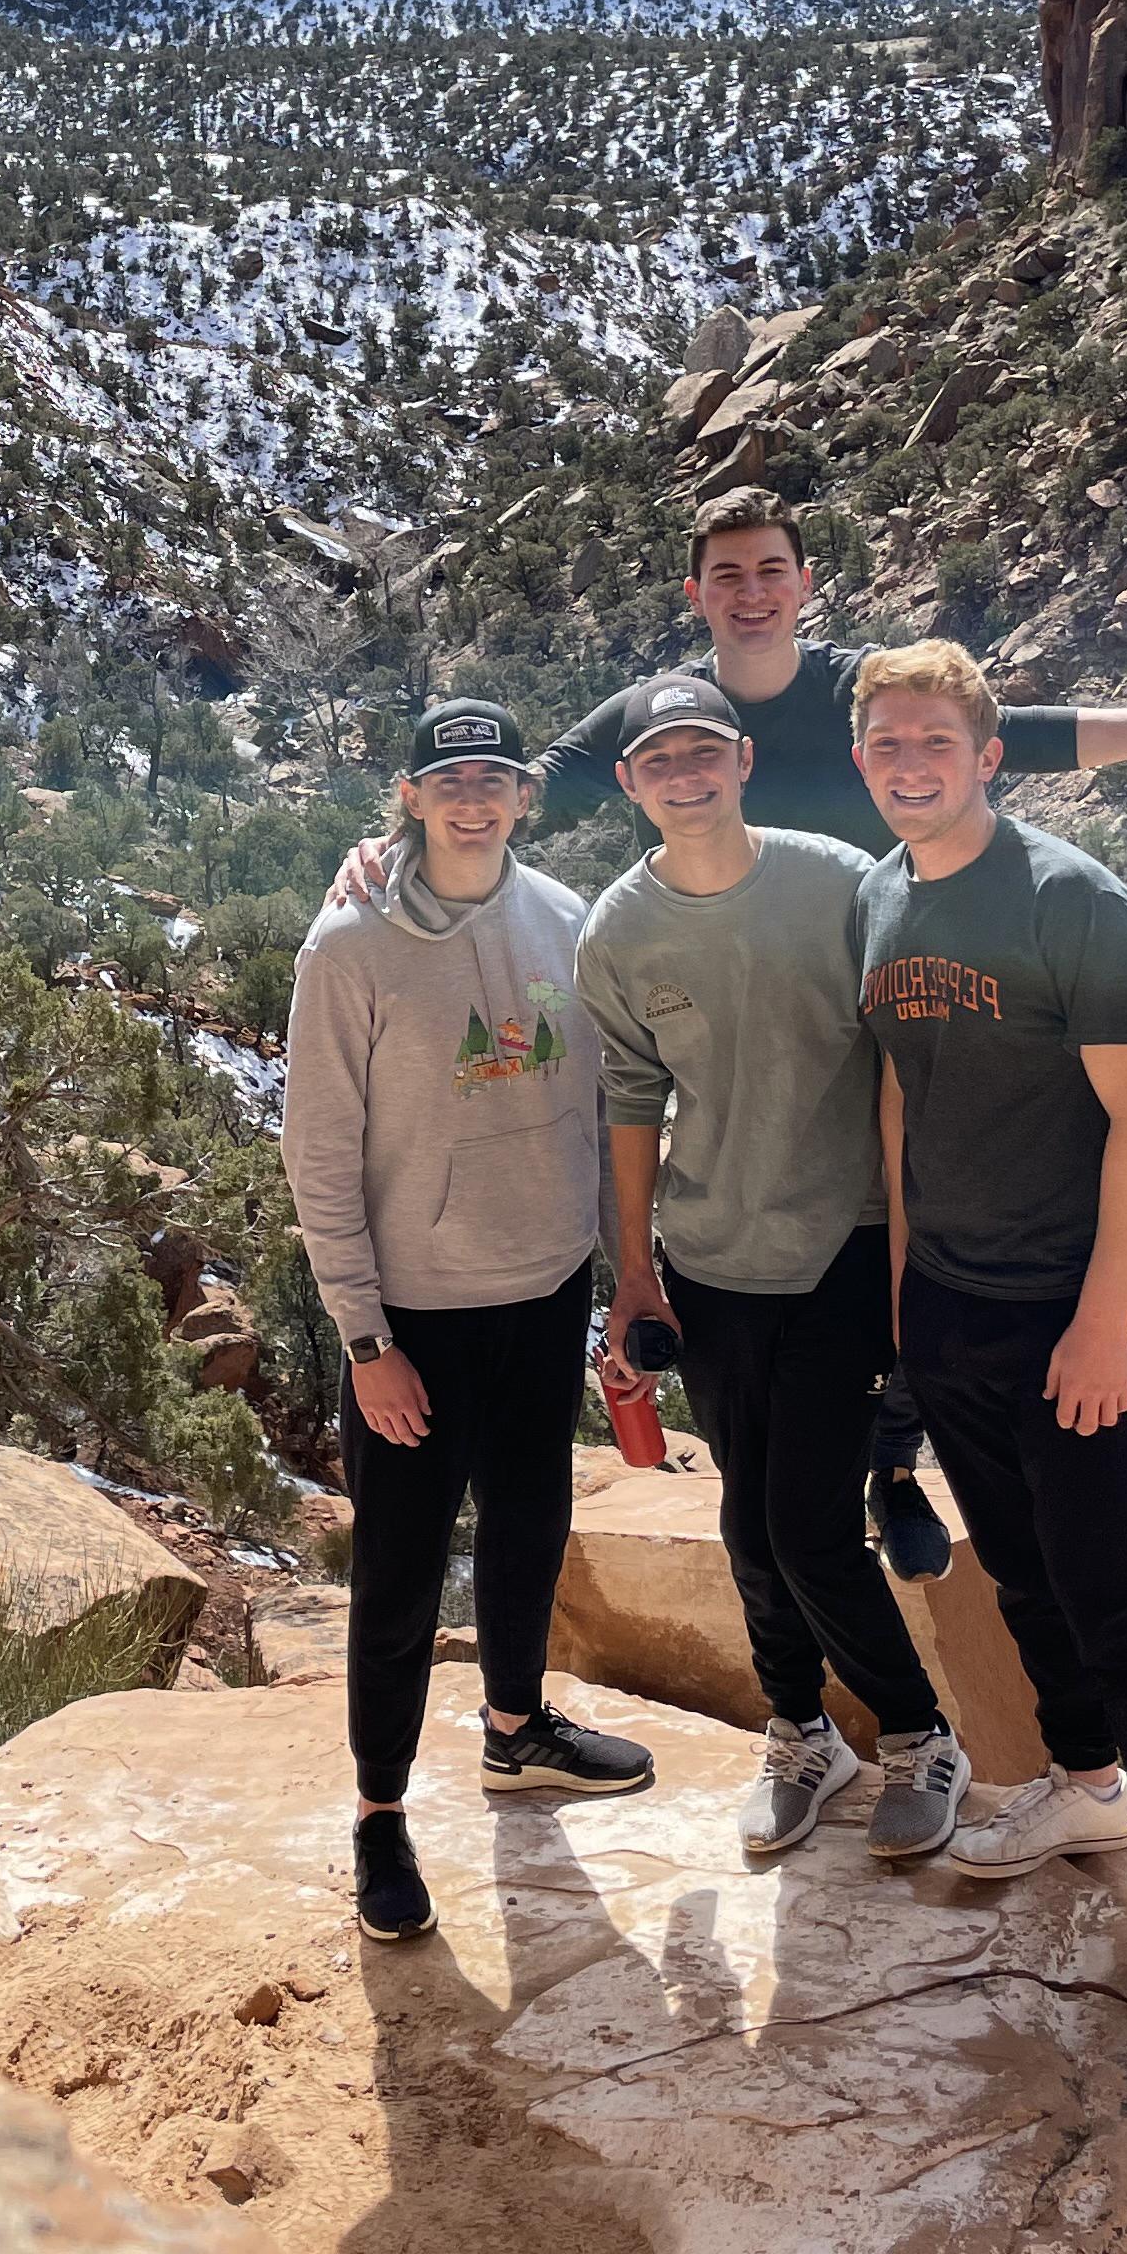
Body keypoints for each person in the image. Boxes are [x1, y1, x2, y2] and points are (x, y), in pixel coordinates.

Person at [531, 488, 1127, 1581]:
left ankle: (895, 1467)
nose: (751, 593)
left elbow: (1011, 738)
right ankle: (860, 1477)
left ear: (806, 584)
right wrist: (402, 838)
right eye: (728, 575)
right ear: (696, 594)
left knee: (915, 1230)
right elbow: (539, 785)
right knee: (853, 1257)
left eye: (771, 571)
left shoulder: (857, 683)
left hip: (903, 1002)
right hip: (784, 1017)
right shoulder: (665, 709)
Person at [851, 639, 1127, 2029]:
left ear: (989, 755)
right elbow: (903, 1108)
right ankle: (1084, 1792)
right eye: (887, 743)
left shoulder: (1076, 904)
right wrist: (906, 1292)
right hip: (952, 1305)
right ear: (863, 760)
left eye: (934, 744)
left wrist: (1104, 1326)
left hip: (1076, 1308)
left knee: (1122, 1605)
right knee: (1021, 1580)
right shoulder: (882, 901)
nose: (910, 764)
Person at [282, 696, 653, 1949]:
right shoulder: (349, 949)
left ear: (521, 797)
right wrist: (366, 1342)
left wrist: (623, 1281)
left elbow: (607, 1119)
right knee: (394, 1581)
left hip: (543, 1291)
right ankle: (380, 1818)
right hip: (417, 1326)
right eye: (451, 783)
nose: (474, 801)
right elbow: (319, 1158)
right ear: (411, 796)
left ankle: (515, 1734)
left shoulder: (567, 922)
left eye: (494, 778)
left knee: (530, 1526)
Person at [577, 673, 968, 1862]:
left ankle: (921, 1737)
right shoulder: (620, 933)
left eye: (705, 753)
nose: (684, 775)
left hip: (845, 1248)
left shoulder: (843, 885)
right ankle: (800, 1732)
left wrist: (915, 1255)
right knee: (748, 1530)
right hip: (707, 1263)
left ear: (743, 762)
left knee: (803, 1530)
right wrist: (633, 1271)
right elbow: (632, 1103)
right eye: (660, 761)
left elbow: (911, 1065)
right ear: (629, 783)